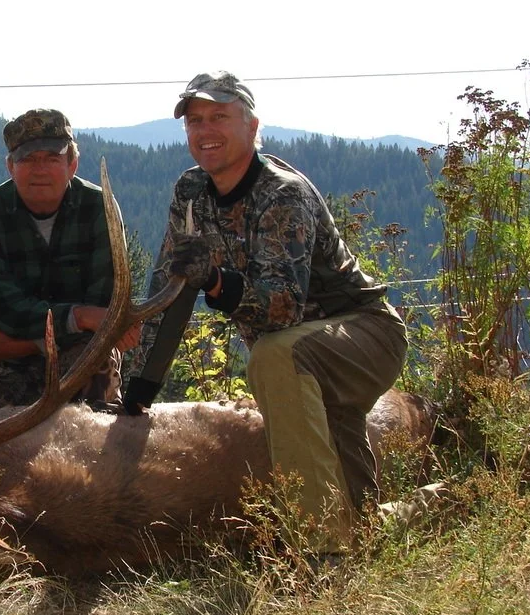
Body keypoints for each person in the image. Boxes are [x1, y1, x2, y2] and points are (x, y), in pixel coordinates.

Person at [124, 71, 408, 552]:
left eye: (219, 116)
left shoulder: (282, 193)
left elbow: (282, 310)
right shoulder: (191, 192)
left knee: (276, 355)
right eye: (194, 120)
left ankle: (319, 551)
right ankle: (426, 507)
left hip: (363, 335)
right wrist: (140, 389)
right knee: (360, 517)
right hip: (302, 356)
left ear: (252, 127)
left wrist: (214, 281)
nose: (205, 130)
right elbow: (168, 287)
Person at [0, 108, 138, 410]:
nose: (39, 169)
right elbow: (9, 312)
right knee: (2, 447)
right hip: (13, 364)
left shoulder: (100, 208)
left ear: (72, 165)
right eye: (27, 159)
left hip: (71, 353)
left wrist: (18, 344)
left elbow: (104, 314)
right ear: (10, 166)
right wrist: (79, 316)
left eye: (52, 158)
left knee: (95, 430)